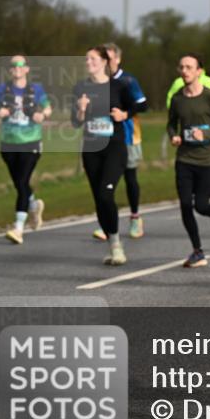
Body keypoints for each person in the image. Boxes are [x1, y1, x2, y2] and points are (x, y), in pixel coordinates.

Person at [71, 46, 138, 265]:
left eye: (92, 58)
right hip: (91, 150)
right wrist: (81, 109)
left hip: (115, 148)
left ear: (103, 62)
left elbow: (138, 106)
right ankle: (113, 243)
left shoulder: (119, 86)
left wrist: (124, 114)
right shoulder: (81, 87)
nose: (88, 62)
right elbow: (75, 122)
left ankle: (117, 246)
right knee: (99, 200)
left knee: (106, 194)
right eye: (86, 58)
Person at [167, 54, 210, 268]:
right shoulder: (177, 99)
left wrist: (204, 135)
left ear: (199, 72)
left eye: (189, 67)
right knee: (186, 205)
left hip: (206, 162)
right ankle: (197, 251)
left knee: (201, 205)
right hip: (184, 160)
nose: (184, 71)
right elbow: (171, 124)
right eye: (182, 67)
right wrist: (173, 136)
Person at [0, 55, 52, 244]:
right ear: (10, 71)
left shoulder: (35, 89)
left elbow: (48, 108)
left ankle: (18, 228)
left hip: (31, 142)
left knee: (23, 180)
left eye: (20, 65)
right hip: (8, 143)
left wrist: (43, 115)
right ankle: (33, 205)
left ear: (27, 69)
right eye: (13, 65)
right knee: (19, 183)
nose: (17, 67)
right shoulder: (3, 89)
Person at [92, 44, 149, 241]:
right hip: (105, 139)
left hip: (128, 136)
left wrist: (125, 113)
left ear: (118, 59)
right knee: (106, 184)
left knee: (129, 177)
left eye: (110, 58)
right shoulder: (96, 81)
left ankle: (135, 217)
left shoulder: (127, 80)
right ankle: (108, 223)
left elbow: (143, 104)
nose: (107, 62)